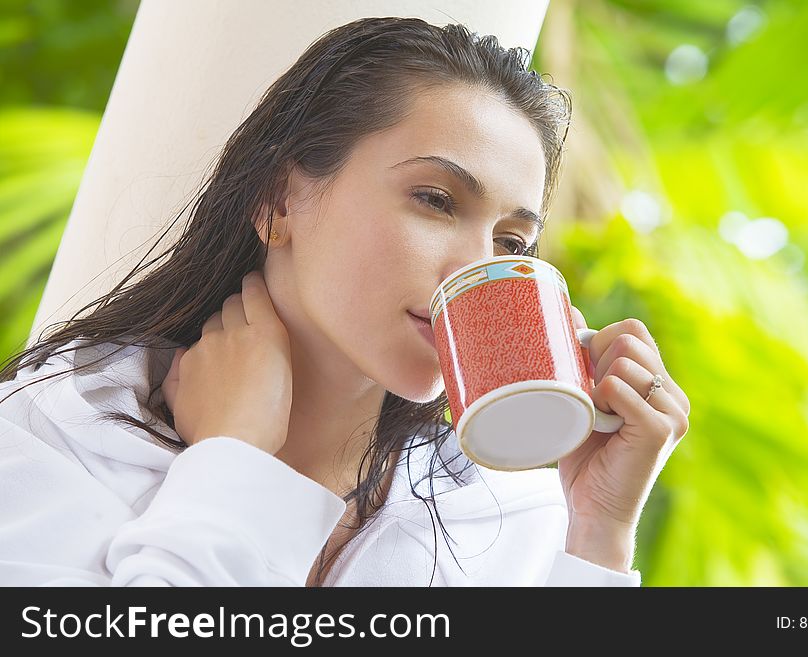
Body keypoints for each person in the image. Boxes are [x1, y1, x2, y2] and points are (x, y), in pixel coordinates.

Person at [0, 17, 689, 587]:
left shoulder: (509, 518)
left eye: (511, 241)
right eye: (436, 200)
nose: (479, 267)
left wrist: (598, 535)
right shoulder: (53, 435)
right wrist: (234, 464)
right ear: (278, 199)